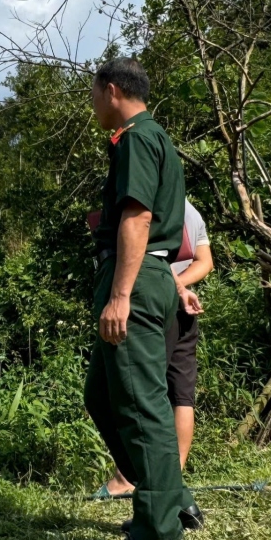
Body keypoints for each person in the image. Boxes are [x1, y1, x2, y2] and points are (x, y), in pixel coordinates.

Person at [84, 57, 201, 540]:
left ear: (111, 90)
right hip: (148, 276)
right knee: (103, 396)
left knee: (140, 404)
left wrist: (120, 295)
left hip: (136, 277)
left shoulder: (135, 136)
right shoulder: (154, 139)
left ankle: (157, 534)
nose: (91, 106)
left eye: (93, 95)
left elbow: (139, 217)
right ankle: (172, 499)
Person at [98, 200, 213, 498]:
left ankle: (128, 479)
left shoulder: (155, 206)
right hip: (184, 308)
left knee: (145, 390)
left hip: (156, 303)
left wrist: (175, 287)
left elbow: (147, 255)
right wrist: (184, 287)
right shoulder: (193, 211)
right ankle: (174, 479)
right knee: (181, 394)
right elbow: (205, 261)